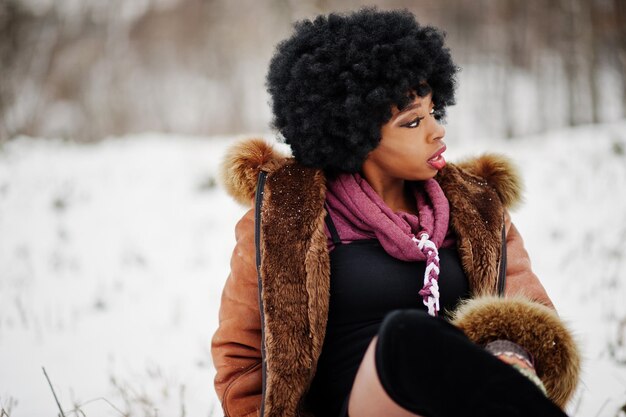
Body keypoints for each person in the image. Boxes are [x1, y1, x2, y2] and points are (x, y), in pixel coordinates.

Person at [211, 8, 580, 417]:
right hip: (359, 404)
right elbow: (241, 357)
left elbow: (534, 323)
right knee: (406, 333)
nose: (437, 130)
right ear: (354, 134)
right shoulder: (287, 217)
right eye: (412, 122)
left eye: (434, 112)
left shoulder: (478, 208)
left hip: (461, 405)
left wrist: (512, 355)